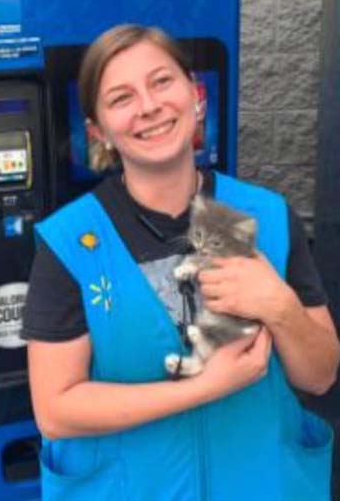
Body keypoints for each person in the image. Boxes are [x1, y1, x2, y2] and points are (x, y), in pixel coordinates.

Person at [22, 24, 340, 500]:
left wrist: (280, 305)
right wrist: (201, 389)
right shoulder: (72, 242)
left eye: (161, 81)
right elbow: (56, 409)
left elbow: (320, 375)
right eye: (121, 97)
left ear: (196, 96)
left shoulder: (263, 217)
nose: (149, 106)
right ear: (99, 131)